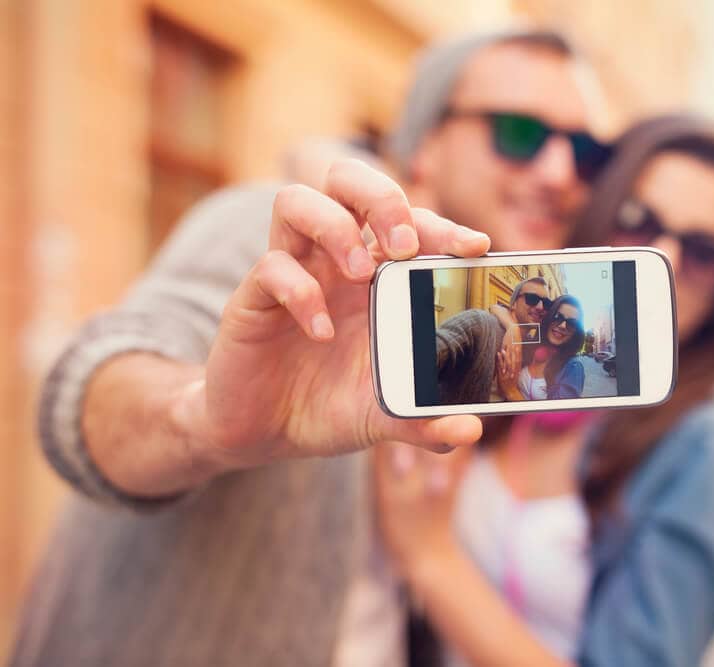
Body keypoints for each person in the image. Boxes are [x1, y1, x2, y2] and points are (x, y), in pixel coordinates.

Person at [11, 28, 608, 667]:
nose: (559, 173)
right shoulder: (289, 248)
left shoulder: (492, 342)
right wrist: (201, 423)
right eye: (518, 134)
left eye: (585, 150)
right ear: (425, 143)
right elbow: (96, 383)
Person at [374, 113, 714, 667]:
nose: (667, 261)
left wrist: (432, 560)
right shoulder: (517, 384)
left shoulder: (703, 450)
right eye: (637, 219)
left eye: (703, 251)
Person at [436, 276, 551, 404]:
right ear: (513, 304)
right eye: (532, 299)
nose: (540, 307)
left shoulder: (531, 347)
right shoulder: (480, 323)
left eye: (546, 303)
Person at [496, 294, 586, 400]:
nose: (562, 326)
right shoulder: (532, 342)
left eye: (571, 324)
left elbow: (555, 416)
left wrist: (511, 392)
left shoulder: (573, 367)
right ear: (549, 316)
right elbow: (496, 308)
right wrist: (512, 327)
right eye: (558, 317)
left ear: (576, 332)